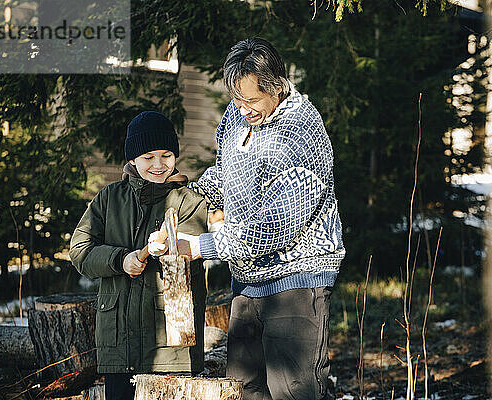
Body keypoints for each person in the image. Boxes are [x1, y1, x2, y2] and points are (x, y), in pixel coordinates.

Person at [173, 37, 345, 400]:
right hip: (248, 281)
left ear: (277, 86)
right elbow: (226, 173)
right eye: (236, 99)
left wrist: (201, 246)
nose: (243, 109)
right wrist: (190, 196)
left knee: (293, 391)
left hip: (296, 282)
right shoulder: (236, 116)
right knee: (245, 388)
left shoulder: (302, 134)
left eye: (252, 100)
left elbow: (272, 229)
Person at [69, 111, 208, 400]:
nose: (158, 165)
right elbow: (80, 251)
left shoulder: (190, 203)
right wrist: (121, 260)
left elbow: (190, 257)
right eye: (148, 157)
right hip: (118, 345)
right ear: (132, 158)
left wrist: (169, 250)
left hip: (172, 350)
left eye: (166, 155)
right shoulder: (109, 199)